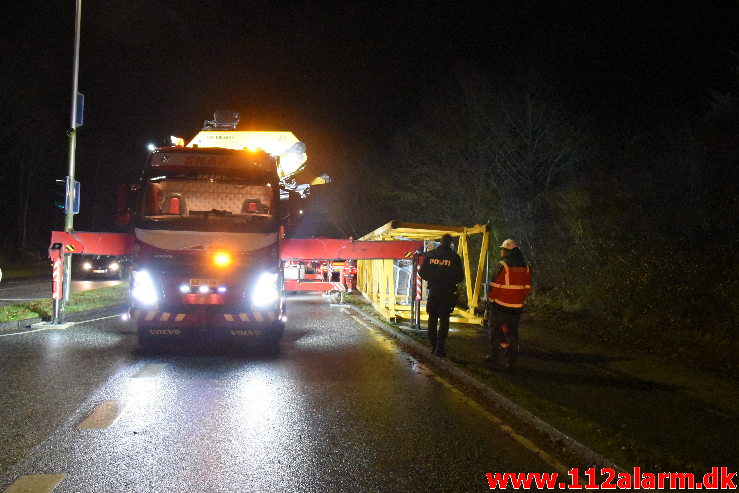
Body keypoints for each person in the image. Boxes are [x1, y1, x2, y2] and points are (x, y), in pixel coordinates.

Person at [485, 239, 532, 369]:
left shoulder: (503, 265)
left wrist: (490, 300)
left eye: (503, 249)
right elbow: (527, 287)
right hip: (516, 308)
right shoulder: (525, 266)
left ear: (507, 250)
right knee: (512, 333)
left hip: (500, 306)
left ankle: (494, 355)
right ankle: (512, 360)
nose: (501, 251)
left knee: (494, 331)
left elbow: (494, 285)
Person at [418, 234, 464, 357]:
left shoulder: (431, 255)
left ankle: (432, 345)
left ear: (440, 242)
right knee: (444, 320)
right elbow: (460, 277)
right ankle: (440, 347)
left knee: (432, 318)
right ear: (450, 243)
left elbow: (422, 273)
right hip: (447, 293)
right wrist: (449, 280)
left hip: (433, 291)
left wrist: (433, 279)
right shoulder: (454, 257)